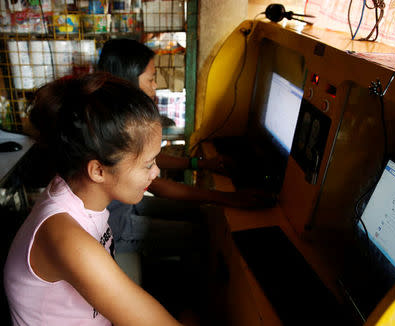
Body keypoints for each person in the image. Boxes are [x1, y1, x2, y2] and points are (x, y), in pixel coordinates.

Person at [3, 73, 182, 326]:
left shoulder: (72, 190)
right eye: (148, 164)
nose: (156, 172)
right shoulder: (67, 238)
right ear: (98, 171)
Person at [97, 38, 275, 254]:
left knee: (199, 213)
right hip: (117, 226)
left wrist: (200, 164)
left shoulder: (116, 112)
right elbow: (156, 184)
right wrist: (226, 198)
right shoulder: (116, 128)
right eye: (151, 79)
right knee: (200, 235)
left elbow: (149, 160)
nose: (155, 86)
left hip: (125, 206)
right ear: (128, 79)